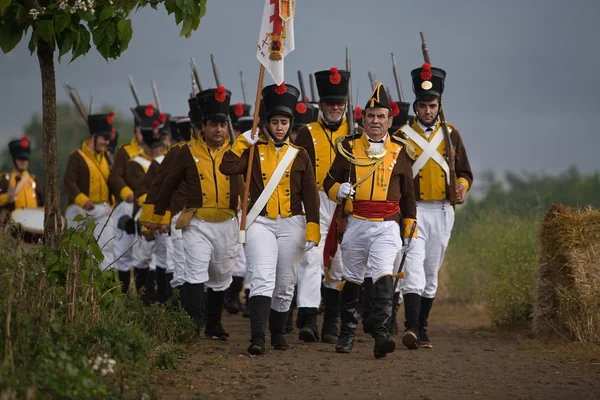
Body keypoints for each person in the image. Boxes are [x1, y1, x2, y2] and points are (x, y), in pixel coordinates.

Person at [220, 83, 320, 355]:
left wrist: (313, 228)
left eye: (284, 122)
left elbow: (311, 195)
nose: (279, 127)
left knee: (285, 282)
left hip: (293, 222)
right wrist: (243, 140)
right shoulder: (252, 151)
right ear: (266, 124)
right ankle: (257, 338)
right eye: (275, 122)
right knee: (262, 276)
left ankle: (278, 332)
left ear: (290, 124)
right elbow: (226, 166)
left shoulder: (299, 155)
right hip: (259, 222)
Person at [323, 83, 417, 358]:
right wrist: (336, 190)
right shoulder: (349, 148)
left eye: (381, 116)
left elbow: (409, 196)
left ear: (390, 120)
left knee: (383, 274)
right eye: (371, 116)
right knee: (351, 278)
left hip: (388, 224)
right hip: (356, 222)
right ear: (363, 119)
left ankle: (381, 334)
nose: (375, 121)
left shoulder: (401, 152)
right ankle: (348, 333)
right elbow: (328, 179)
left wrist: (409, 225)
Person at [154, 87, 243, 340]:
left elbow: (250, 183)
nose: (218, 130)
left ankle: (214, 324)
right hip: (196, 222)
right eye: (213, 124)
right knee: (194, 273)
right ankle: (191, 326)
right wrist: (158, 216)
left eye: (222, 125)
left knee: (221, 276)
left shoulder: (237, 152)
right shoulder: (187, 152)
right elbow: (168, 184)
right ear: (202, 127)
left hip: (227, 223)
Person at [398, 63, 473, 350]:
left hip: (443, 211)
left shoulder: (451, 134)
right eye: (422, 105)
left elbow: (465, 172)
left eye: (432, 105)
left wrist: (461, 187)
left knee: (431, 272)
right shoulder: (403, 135)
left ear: (439, 105)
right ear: (415, 106)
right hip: (414, 211)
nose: (427, 111)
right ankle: (412, 329)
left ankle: (423, 327)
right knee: (414, 270)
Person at [291, 67, 351, 344]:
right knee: (311, 259)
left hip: (344, 205)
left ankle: (332, 322)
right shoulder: (305, 133)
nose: (335, 108)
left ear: (346, 105)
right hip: (314, 202)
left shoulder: (356, 133)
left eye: (340, 103)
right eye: (330, 104)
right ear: (321, 105)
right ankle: (309, 318)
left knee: (339, 263)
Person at [126, 107, 169, 299]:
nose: (155, 150)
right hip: (144, 212)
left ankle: (157, 296)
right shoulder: (135, 163)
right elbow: (140, 190)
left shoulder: (167, 161)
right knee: (142, 256)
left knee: (163, 256)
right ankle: (143, 295)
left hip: (165, 214)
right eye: (152, 147)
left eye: (158, 147)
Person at [64, 112, 115, 270]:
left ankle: (104, 286)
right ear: (93, 136)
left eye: (108, 139)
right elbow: (69, 182)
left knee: (106, 248)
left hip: (103, 210)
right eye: (104, 138)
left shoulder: (107, 158)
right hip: (80, 209)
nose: (107, 142)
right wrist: (83, 200)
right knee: (77, 250)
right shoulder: (76, 157)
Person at [109, 105, 145, 286]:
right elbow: (115, 177)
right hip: (129, 206)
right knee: (124, 251)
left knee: (144, 253)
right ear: (136, 131)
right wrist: (127, 193)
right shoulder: (125, 152)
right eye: (141, 131)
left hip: (149, 207)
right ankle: (123, 293)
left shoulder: (158, 152)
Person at [0, 136, 43, 212]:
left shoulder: (35, 180)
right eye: (21, 159)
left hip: (32, 222)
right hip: (12, 222)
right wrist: (7, 198)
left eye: (26, 159)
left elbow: (43, 203)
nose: (24, 162)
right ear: (14, 159)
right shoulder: (4, 179)